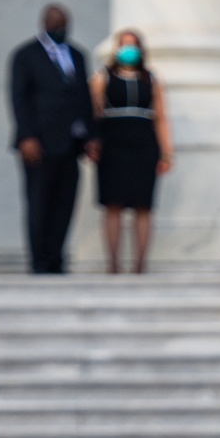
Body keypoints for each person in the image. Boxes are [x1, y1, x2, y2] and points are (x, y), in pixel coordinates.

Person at [8, 4, 99, 274]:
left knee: (65, 202)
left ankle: (58, 258)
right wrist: (27, 136)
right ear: (43, 23)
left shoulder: (78, 55)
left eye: (63, 24)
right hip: (39, 144)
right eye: (55, 24)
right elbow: (19, 99)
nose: (59, 29)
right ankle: (40, 261)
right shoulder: (25, 55)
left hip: (71, 144)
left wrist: (91, 136)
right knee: (39, 202)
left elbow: (84, 99)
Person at [90, 30, 173, 274]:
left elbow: (161, 118)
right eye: (124, 45)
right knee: (113, 204)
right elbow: (94, 113)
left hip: (144, 145)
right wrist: (92, 142)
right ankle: (113, 263)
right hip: (113, 143)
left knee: (142, 205)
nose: (128, 50)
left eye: (133, 45)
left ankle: (140, 264)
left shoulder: (151, 80)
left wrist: (167, 152)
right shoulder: (102, 78)